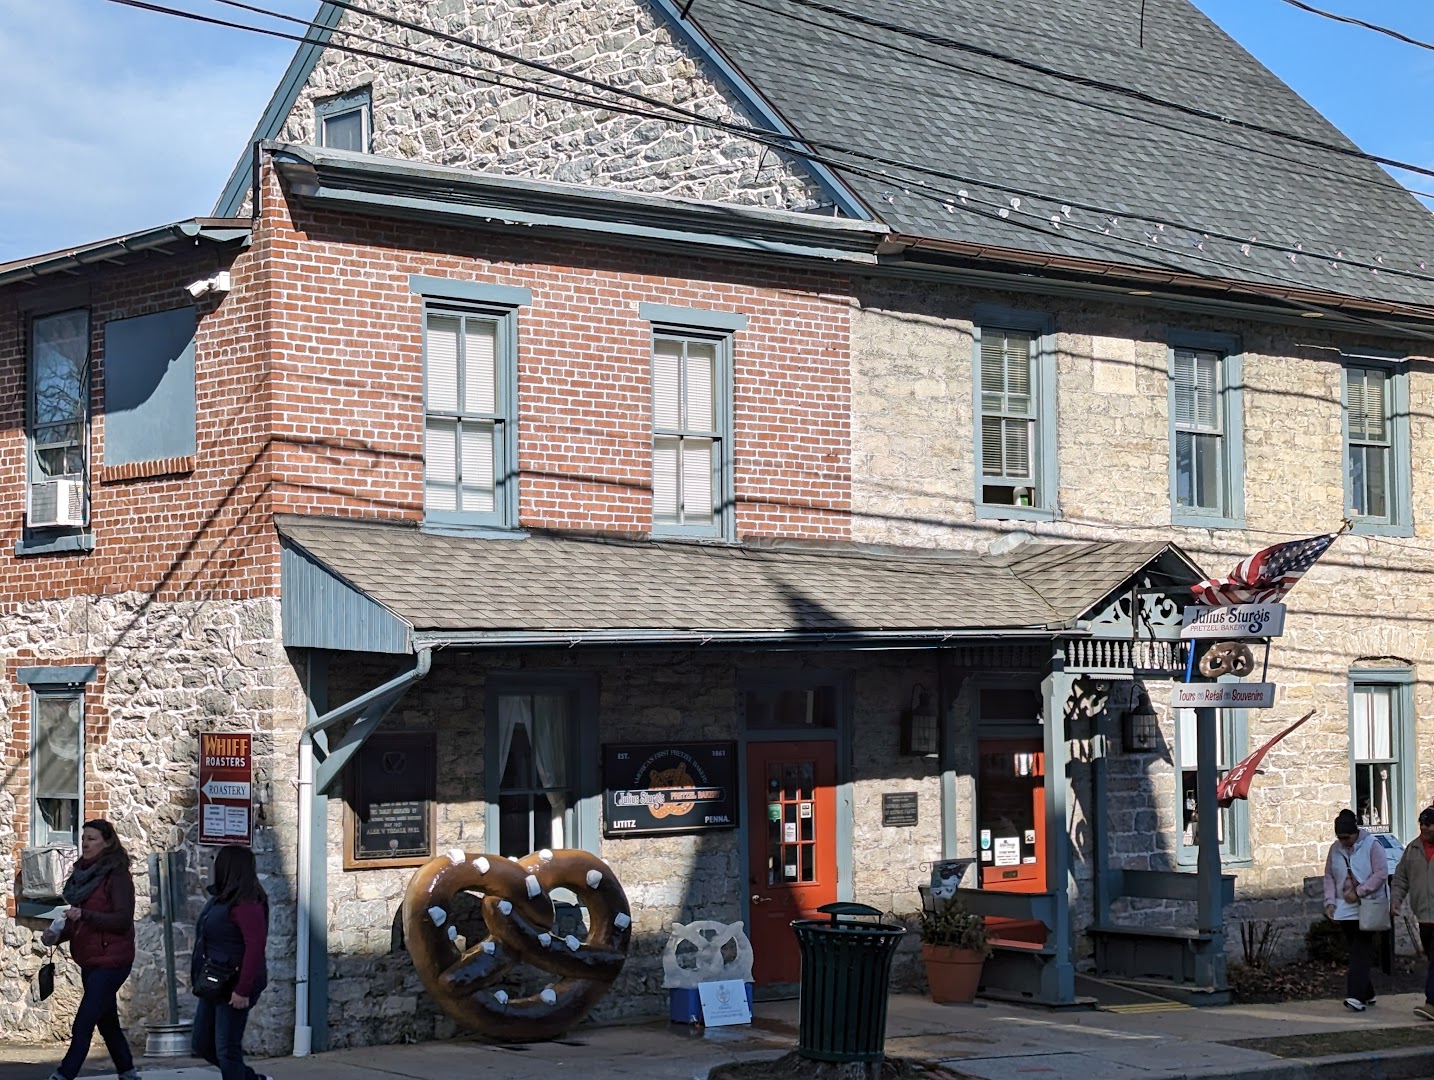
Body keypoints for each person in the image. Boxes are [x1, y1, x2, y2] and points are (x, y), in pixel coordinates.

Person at [41, 819, 140, 1080]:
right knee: (108, 1023)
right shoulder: (81, 876)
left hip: (113, 959)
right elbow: (78, 922)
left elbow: (122, 920)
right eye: (83, 837)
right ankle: (128, 1072)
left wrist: (85, 914)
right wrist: (57, 935)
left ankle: (64, 1074)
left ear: (107, 842)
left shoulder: (116, 875)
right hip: (90, 959)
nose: (85, 843)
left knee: (84, 1022)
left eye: (92, 838)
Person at [190, 845, 273, 1080]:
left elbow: (255, 947)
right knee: (202, 1043)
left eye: (218, 862)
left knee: (227, 1048)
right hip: (214, 982)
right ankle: (250, 1078)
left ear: (229, 867)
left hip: (235, 985)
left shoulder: (248, 904)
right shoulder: (220, 899)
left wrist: (242, 990)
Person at [1322, 807, 1388, 1012]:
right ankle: (1367, 991)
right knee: (1354, 949)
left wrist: (1360, 891)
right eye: (1340, 838)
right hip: (1345, 906)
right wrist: (1330, 901)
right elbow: (1329, 877)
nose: (1344, 841)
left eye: (1347, 837)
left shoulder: (1372, 845)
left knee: (1361, 949)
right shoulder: (1335, 849)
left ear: (1355, 832)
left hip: (1368, 904)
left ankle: (1355, 996)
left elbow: (1381, 873)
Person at [1391, 805, 1434, 1021]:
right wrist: (1396, 899)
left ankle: (1431, 1003)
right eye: (1422, 824)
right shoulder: (1412, 849)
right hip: (1424, 916)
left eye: (1429, 824)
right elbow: (1401, 878)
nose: (1425, 828)